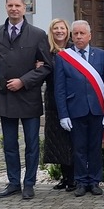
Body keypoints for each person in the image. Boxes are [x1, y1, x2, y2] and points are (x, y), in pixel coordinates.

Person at [0, 0, 52, 199]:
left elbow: (46, 67)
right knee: (9, 144)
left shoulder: (37, 34)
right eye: (10, 5)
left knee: (32, 144)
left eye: (18, 5)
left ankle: (30, 183)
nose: (14, 9)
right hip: (5, 96)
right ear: (5, 7)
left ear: (25, 8)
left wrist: (23, 81)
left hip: (28, 96)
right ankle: (13, 182)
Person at [54, 20, 104, 196]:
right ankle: (80, 181)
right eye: (75, 34)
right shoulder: (64, 57)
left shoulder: (101, 55)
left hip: (97, 109)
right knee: (78, 148)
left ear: (90, 36)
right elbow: (60, 88)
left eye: (82, 33)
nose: (79, 37)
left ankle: (94, 181)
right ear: (72, 36)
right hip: (75, 110)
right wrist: (63, 115)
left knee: (95, 147)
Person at [43, 18, 75, 191]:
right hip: (53, 101)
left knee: (71, 139)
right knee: (58, 140)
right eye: (56, 28)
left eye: (62, 28)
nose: (59, 31)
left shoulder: (73, 50)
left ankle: (74, 177)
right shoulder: (46, 52)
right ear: (51, 31)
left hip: (71, 99)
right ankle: (65, 177)